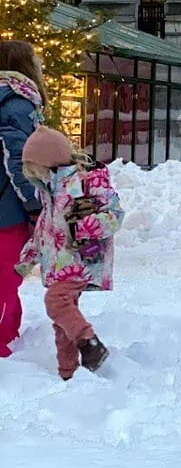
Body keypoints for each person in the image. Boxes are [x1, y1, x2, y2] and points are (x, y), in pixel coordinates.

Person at [18, 126, 123, 380]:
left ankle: (90, 343)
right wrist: (29, 256)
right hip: (59, 263)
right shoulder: (50, 191)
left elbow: (115, 215)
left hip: (80, 260)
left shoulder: (86, 182)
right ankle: (68, 373)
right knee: (62, 324)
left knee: (56, 303)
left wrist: (88, 226)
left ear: (49, 161)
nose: (34, 175)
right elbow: (45, 227)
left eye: (36, 168)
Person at [0, 40, 45, 356]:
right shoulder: (17, 103)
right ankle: (3, 344)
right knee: (5, 277)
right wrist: (34, 204)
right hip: (7, 210)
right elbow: (19, 159)